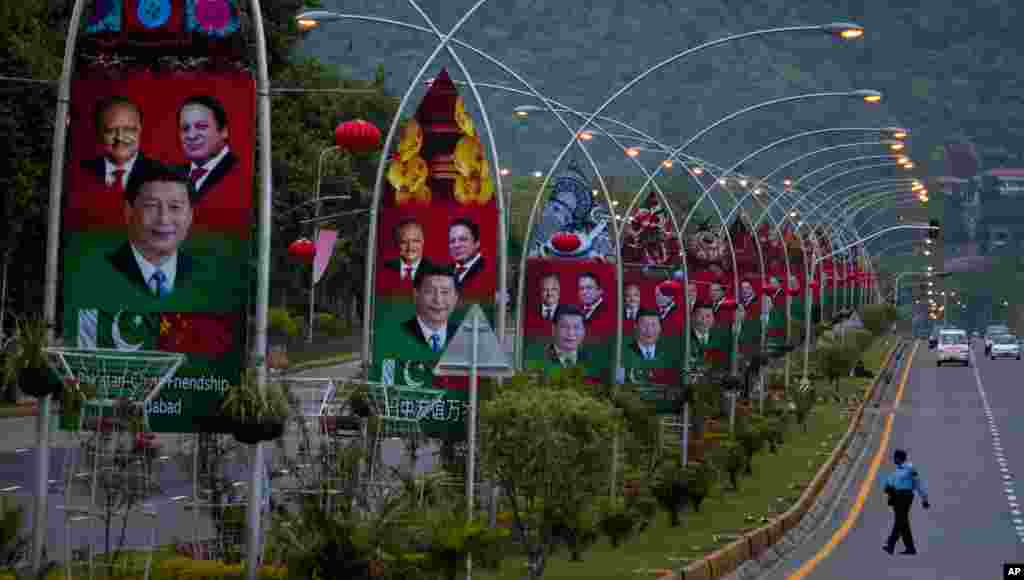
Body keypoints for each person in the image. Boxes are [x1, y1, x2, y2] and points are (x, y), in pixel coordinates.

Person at [107, 163, 199, 298]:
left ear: (190, 215)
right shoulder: (103, 271)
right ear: (129, 211)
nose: (163, 219)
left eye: (175, 207)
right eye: (151, 206)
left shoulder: (204, 275)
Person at [71, 96, 163, 225]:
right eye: (111, 131)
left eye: (128, 130)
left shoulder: (162, 175)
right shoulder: (77, 174)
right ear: (99, 133)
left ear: (140, 130)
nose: (120, 138)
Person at [177, 95, 238, 202]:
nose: (191, 136)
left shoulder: (239, 171)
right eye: (185, 128)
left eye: (201, 126)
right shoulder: (172, 176)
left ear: (223, 131)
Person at [399, 264, 460, 356]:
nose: (438, 300)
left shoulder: (464, 336)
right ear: (416, 295)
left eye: (445, 292)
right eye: (429, 291)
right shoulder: (400, 333)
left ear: (455, 298)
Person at [883, 448, 930, 555]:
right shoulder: (897, 470)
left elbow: (918, 484)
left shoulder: (910, 469)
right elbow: (889, 483)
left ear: (899, 458)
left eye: (895, 457)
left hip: (905, 497)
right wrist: (888, 490)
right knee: (903, 522)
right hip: (897, 498)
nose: (893, 459)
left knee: (900, 521)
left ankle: (890, 544)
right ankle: (910, 548)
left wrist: (924, 499)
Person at [381, 219, 434, 287]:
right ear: (396, 243)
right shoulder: (385, 269)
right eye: (404, 242)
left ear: (423, 241)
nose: (410, 247)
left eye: (415, 241)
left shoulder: (434, 271)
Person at [447, 218, 486, 288]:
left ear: (476, 243)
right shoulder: (446, 271)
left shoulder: (487, 269)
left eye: (463, 239)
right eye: (452, 241)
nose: (456, 245)